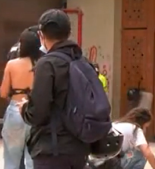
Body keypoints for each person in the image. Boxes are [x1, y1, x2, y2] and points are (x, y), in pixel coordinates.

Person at [21, 9, 94, 169]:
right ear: (68, 32)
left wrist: (24, 109)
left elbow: (38, 112)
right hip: (80, 147)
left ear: (41, 35)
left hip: (52, 149)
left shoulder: (47, 64)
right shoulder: (83, 62)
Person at [1, 27, 42, 169]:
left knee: (11, 159)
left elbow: (3, 92)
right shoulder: (42, 65)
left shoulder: (12, 64)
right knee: (33, 160)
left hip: (15, 110)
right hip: (35, 112)